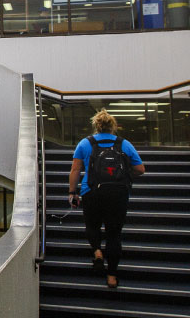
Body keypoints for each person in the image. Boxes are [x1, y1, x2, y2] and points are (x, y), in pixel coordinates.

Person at [68, 109, 145, 288]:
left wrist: (72, 192)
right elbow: (141, 169)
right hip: (118, 194)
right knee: (114, 234)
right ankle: (111, 276)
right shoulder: (124, 144)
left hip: (92, 192)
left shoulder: (85, 144)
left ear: (96, 126)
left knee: (92, 226)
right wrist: (125, 175)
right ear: (113, 127)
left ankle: (97, 252)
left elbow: (75, 170)